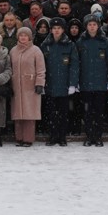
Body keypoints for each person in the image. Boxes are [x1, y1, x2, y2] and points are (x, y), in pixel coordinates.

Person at [77, 15, 108, 147]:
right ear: (86, 26)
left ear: (98, 26)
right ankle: (89, 136)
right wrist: (76, 80)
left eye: (94, 24)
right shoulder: (81, 42)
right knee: (87, 112)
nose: (92, 27)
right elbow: (77, 63)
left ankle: (98, 137)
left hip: (101, 84)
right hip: (85, 83)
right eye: (89, 24)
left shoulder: (105, 41)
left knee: (99, 112)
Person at [40, 18, 79, 147]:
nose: (56, 31)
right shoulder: (45, 45)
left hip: (64, 85)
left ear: (63, 30)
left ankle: (62, 137)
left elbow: (74, 65)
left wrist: (73, 84)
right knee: (51, 113)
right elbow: (41, 66)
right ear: (51, 30)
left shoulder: (70, 45)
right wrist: (42, 83)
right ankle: (52, 136)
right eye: (54, 28)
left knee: (63, 113)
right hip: (50, 84)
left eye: (59, 28)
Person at [9, 26, 46, 147]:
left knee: (29, 114)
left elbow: (41, 69)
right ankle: (19, 137)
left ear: (29, 37)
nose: (23, 37)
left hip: (30, 86)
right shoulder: (13, 51)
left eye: (25, 35)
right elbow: (9, 68)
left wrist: (40, 83)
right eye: (21, 35)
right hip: (16, 86)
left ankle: (28, 139)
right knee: (18, 114)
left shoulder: (36, 50)